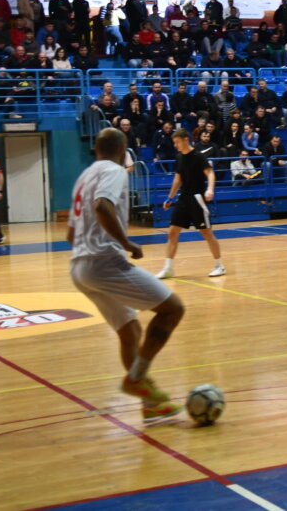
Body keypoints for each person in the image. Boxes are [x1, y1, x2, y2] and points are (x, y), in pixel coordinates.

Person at [68, 127, 185, 423]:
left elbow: (71, 232)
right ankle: (137, 379)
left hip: (79, 267)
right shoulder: (116, 171)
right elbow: (102, 205)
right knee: (172, 310)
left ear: (96, 148)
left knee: (130, 331)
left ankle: (151, 408)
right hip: (104, 262)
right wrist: (127, 243)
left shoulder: (83, 177)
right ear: (123, 151)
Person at [157, 129, 226, 278]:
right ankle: (168, 268)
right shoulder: (179, 157)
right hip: (183, 199)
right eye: (174, 142)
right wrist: (170, 198)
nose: (175, 145)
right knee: (172, 232)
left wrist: (210, 189)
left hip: (197, 199)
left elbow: (210, 173)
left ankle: (219, 265)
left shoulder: (198, 156)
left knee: (207, 233)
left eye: (177, 142)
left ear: (185, 139)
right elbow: (177, 179)